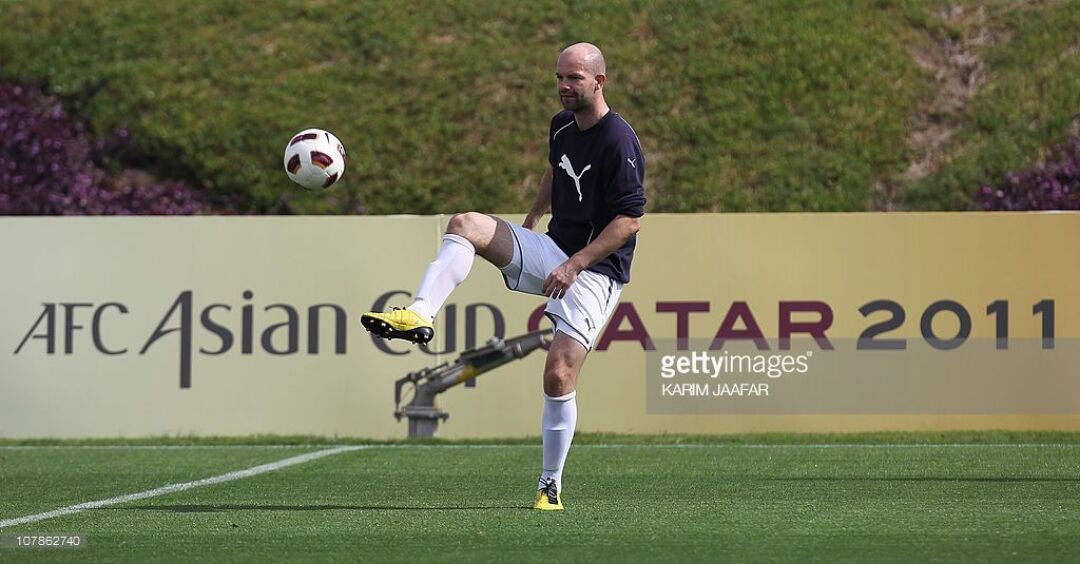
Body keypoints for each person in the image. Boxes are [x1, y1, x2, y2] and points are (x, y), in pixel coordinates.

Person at [361, 42, 646, 511]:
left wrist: (574, 264)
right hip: (554, 250)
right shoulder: (562, 125)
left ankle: (550, 485)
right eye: (559, 77)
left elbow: (629, 221)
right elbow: (556, 170)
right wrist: (533, 218)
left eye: (574, 78)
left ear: (600, 81)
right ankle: (420, 313)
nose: (563, 86)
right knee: (465, 225)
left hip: (596, 270)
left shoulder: (619, 140)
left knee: (558, 375)